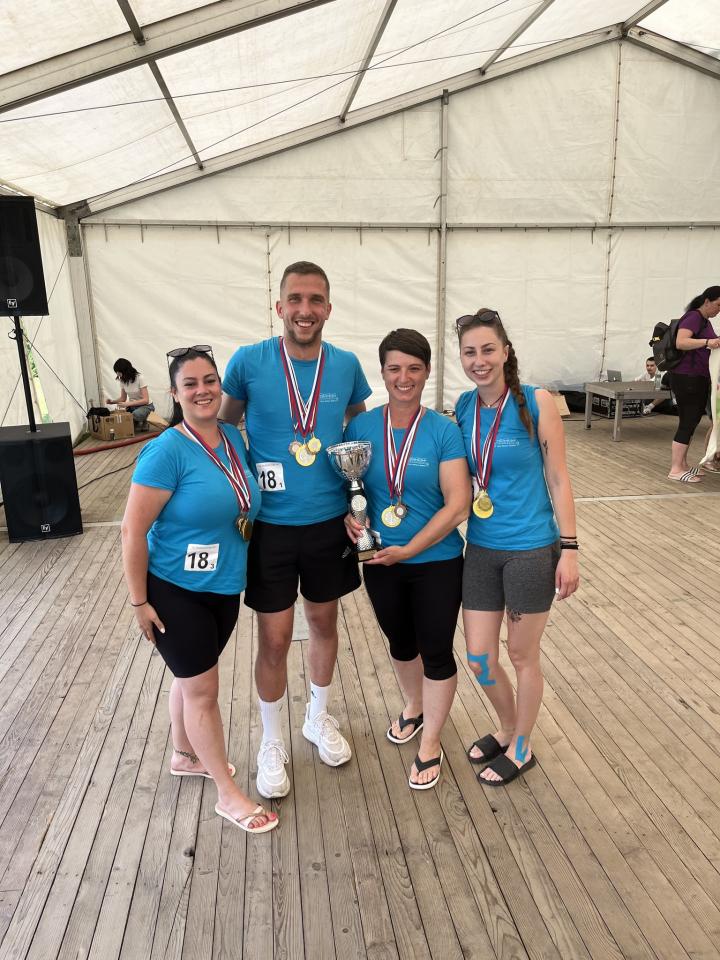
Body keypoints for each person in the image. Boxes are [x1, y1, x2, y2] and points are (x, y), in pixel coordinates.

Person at [219, 261, 372, 800]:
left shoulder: (346, 365)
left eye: (315, 300)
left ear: (328, 307)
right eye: (296, 300)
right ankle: (271, 739)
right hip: (271, 527)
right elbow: (225, 425)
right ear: (279, 306)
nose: (305, 310)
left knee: (325, 624)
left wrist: (361, 503)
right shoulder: (248, 362)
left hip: (328, 523)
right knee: (275, 638)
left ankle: (317, 717)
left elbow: (356, 427)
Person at [121, 346, 277, 834]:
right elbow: (131, 530)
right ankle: (228, 796)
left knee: (189, 679)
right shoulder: (165, 451)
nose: (203, 390)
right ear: (174, 393)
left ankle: (185, 755)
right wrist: (139, 601)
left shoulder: (231, 437)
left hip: (223, 585)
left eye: (210, 380)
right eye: (190, 383)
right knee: (204, 691)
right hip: (174, 590)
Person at [454, 309, 579, 786]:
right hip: (481, 549)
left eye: (488, 349)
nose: (479, 360)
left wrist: (570, 549)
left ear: (505, 351)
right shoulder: (464, 406)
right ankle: (507, 727)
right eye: (470, 352)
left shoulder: (537, 400)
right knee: (479, 656)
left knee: (523, 655)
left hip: (530, 550)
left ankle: (522, 746)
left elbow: (558, 478)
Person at [344, 329, 471, 790]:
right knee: (400, 642)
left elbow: (458, 504)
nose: (404, 377)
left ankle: (431, 741)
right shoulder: (361, 429)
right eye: (394, 368)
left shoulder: (443, 430)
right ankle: (415, 707)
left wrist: (412, 549)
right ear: (382, 372)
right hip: (381, 562)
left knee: (435, 649)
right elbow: (351, 490)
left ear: (427, 372)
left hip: (436, 561)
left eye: (414, 368)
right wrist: (348, 518)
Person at [667, 286, 720, 483]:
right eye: (718, 305)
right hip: (687, 377)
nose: (719, 310)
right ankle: (675, 468)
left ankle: (682, 464)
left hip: (697, 377)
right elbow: (681, 342)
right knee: (688, 421)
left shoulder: (703, 320)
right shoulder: (693, 317)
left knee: (691, 421)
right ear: (707, 301)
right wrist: (707, 342)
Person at [106, 358, 155, 431]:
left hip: (146, 406)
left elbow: (146, 400)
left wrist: (128, 404)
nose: (118, 375)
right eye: (117, 372)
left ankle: (144, 420)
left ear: (126, 370)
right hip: (132, 407)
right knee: (121, 416)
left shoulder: (140, 378)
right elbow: (123, 398)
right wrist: (112, 402)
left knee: (135, 414)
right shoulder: (122, 380)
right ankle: (136, 421)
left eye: (119, 372)